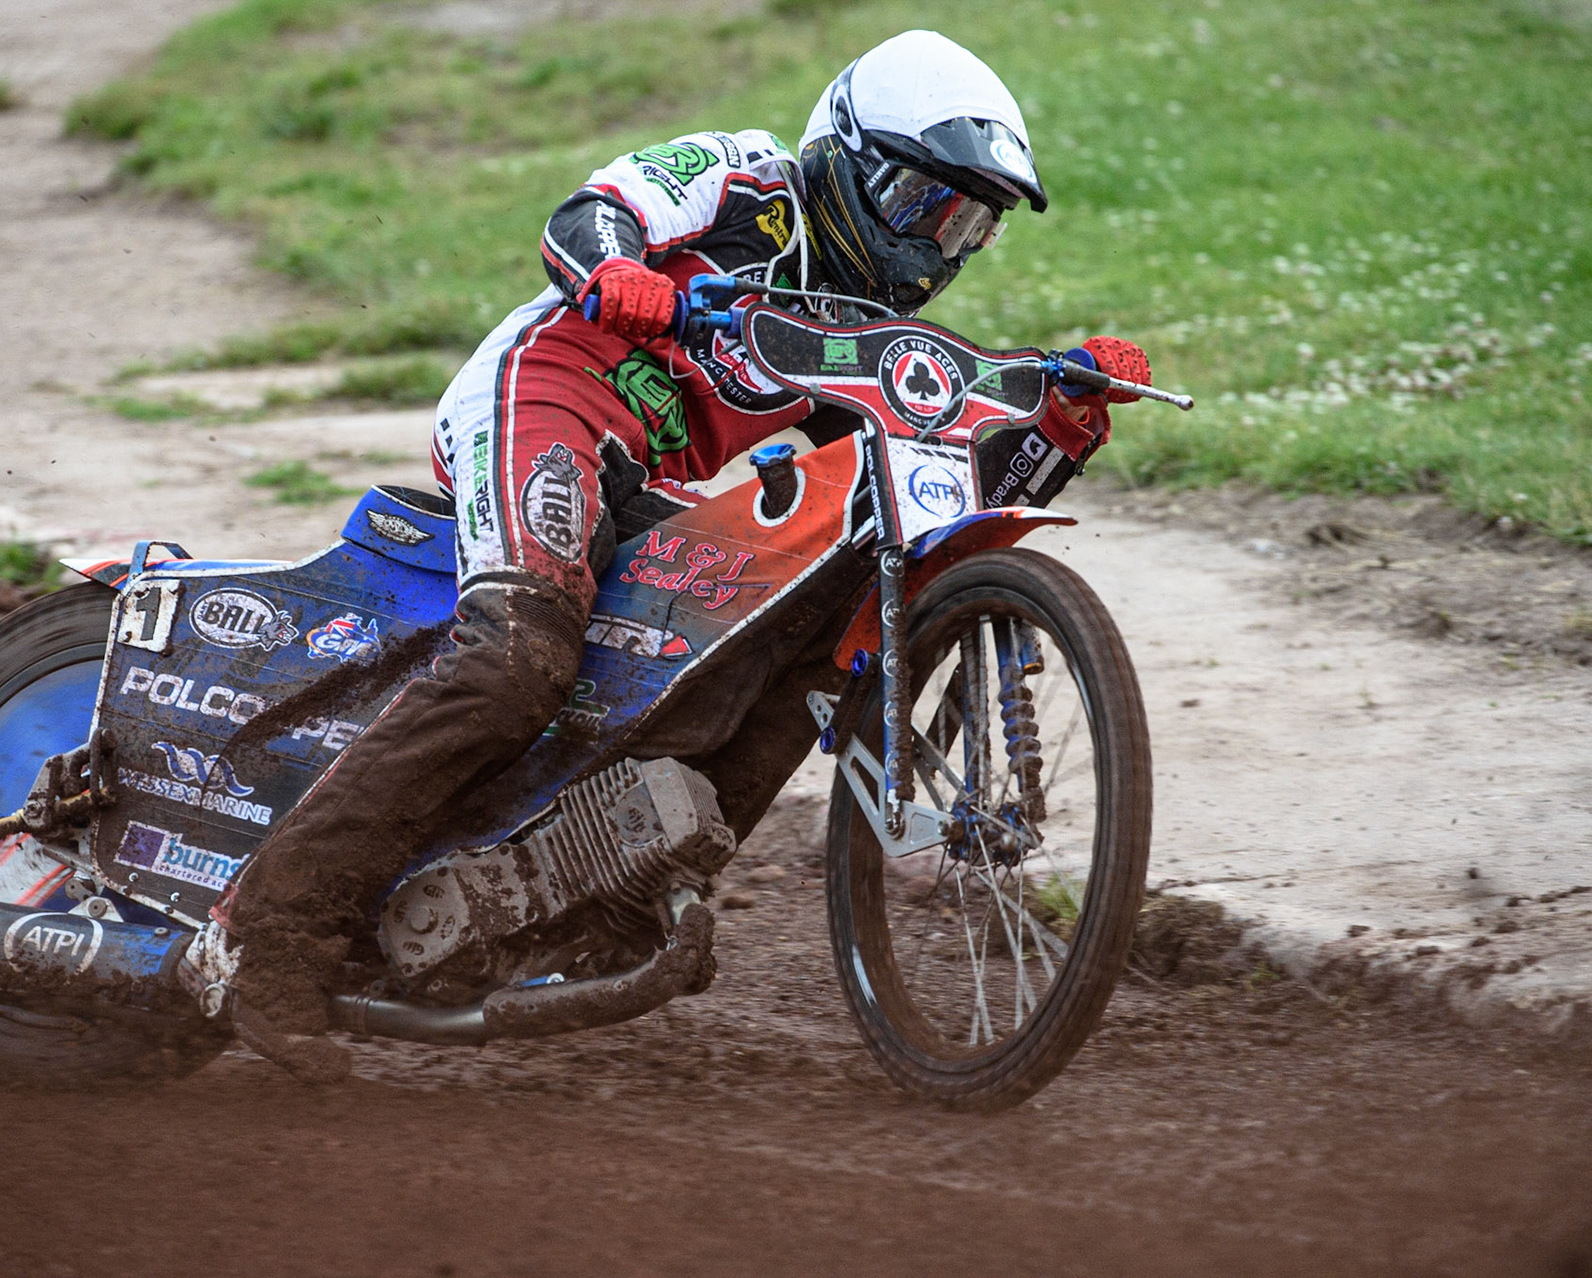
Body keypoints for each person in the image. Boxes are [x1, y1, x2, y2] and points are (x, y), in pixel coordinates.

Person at [186, 29, 1151, 1073]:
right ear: (846, 156)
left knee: (804, 632)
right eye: (925, 205)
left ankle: (609, 894)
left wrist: (1057, 429)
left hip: (652, 482)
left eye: (968, 227)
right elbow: (589, 215)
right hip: (546, 398)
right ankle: (262, 935)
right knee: (516, 658)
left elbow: (935, 511)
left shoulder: (864, 329)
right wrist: (620, 276)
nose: (936, 249)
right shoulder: (746, 178)